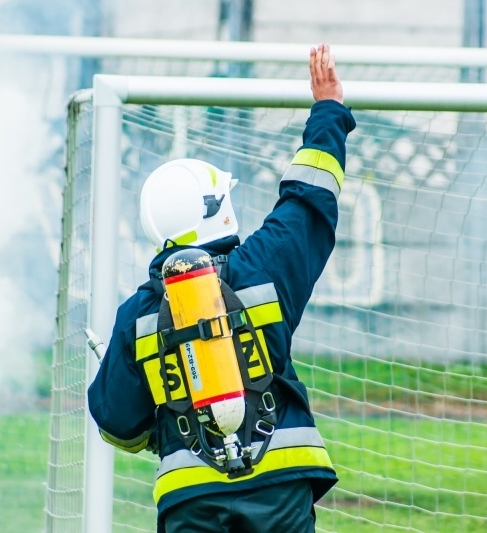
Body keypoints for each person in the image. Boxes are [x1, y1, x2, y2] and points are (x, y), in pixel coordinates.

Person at [88, 43, 357, 532]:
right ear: (218, 210)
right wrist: (329, 110)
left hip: (190, 496)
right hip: (281, 482)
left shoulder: (137, 315)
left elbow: (117, 424)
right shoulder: (263, 266)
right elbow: (311, 197)